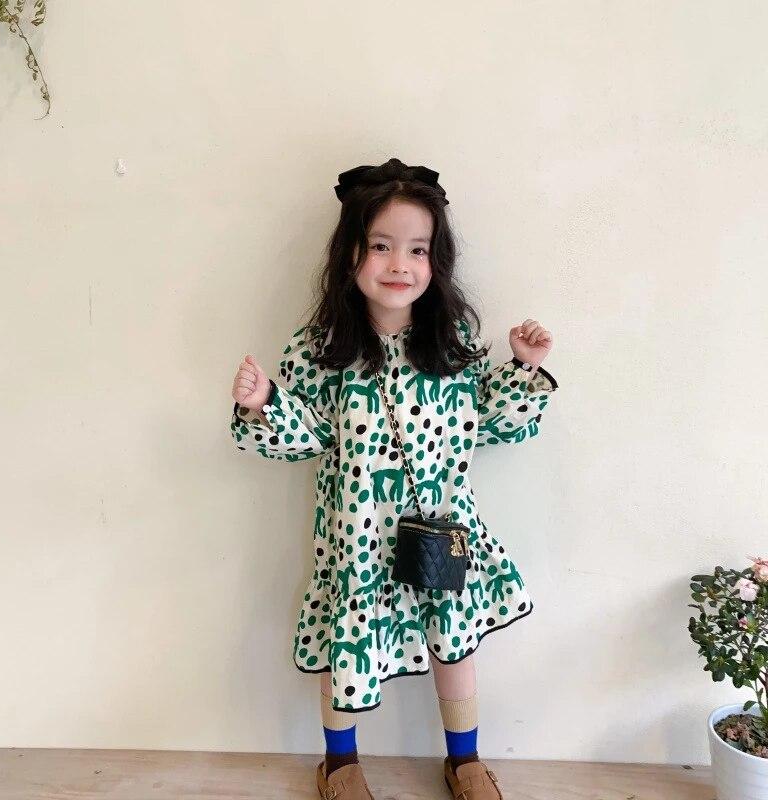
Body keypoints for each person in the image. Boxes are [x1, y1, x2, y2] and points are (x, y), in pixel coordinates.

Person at [230, 157, 559, 800]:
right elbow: (307, 436)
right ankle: (339, 763)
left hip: (442, 529)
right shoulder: (321, 349)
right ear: (350, 253)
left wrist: (523, 368)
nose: (399, 265)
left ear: (436, 260)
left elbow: (488, 425)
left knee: (453, 640)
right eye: (381, 246)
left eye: (417, 249)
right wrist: (263, 402)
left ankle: (465, 760)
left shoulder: (452, 340)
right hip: (356, 537)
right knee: (347, 643)